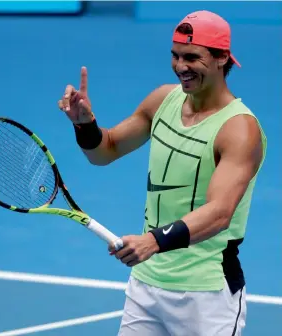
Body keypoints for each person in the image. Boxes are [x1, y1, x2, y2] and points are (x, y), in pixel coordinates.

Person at [58, 10, 267, 336]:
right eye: (175, 55)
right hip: (146, 285)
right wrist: (85, 124)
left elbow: (220, 213)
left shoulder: (239, 128)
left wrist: (153, 242)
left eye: (192, 57)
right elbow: (106, 150)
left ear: (221, 58)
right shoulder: (162, 101)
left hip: (206, 294)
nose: (180, 66)